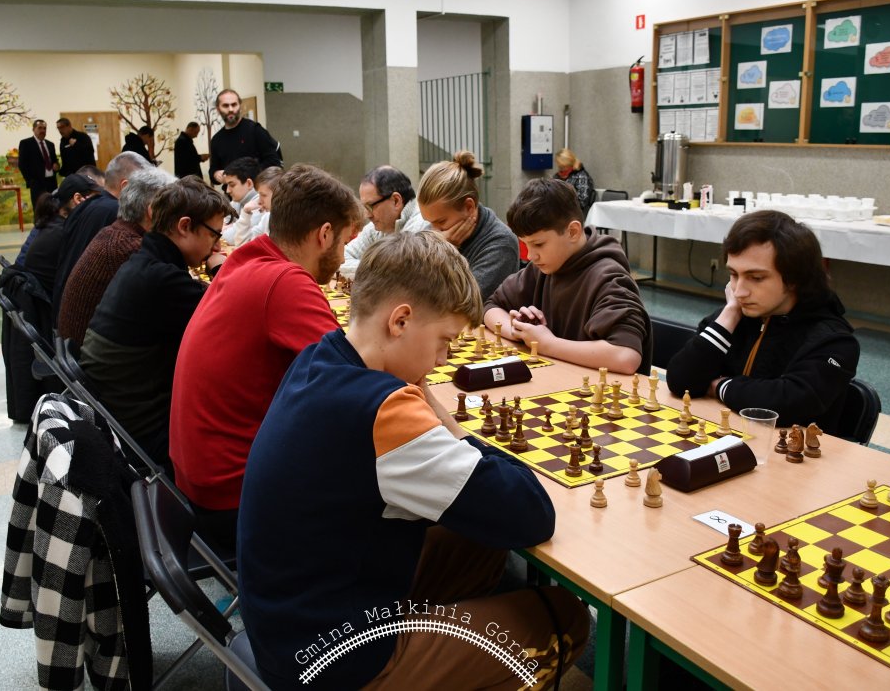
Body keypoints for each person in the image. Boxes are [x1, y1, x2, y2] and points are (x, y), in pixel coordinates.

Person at [238, 230, 590, 690]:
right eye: (444, 340)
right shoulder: (384, 409)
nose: (442, 360)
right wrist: (448, 421)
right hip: (333, 660)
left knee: (479, 541)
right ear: (400, 320)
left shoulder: (318, 357)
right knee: (565, 617)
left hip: (285, 622)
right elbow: (531, 512)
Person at [170, 164, 363, 550]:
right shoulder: (285, 281)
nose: (342, 256)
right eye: (343, 242)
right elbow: (357, 382)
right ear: (324, 234)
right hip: (235, 495)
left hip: (195, 482)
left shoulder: (248, 259)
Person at [80, 177, 232, 467]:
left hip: (119, 413)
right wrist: (220, 269)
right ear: (184, 226)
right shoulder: (161, 278)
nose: (216, 246)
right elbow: (232, 315)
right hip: (145, 433)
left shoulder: (145, 262)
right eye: (214, 235)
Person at [667, 210, 860, 432]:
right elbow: (681, 381)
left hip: (791, 450)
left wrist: (720, 385)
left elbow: (787, 402)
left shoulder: (833, 339)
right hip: (726, 436)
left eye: (756, 278)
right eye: (734, 274)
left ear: (795, 279)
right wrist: (730, 313)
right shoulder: (734, 316)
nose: (739, 291)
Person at [485, 178, 651, 374]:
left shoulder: (609, 278)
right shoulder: (546, 265)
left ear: (573, 231)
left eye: (538, 244)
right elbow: (491, 307)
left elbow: (626, 356)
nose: (530, 256)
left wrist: (548, 344)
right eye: (525, 244)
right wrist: (519, 330)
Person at [57, 167, 177, 345]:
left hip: (74, 346)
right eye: (174, 210)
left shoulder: (115, 232)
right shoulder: (128, 247)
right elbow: (176, 295)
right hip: (87, 353)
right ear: (152, 211)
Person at [50, 152, 151, 318]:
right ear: (126, 187)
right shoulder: (116, 213)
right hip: (83, 322)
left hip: (61, 314)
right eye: (146, 190)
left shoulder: (89, 205)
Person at [417, 150, 519, 300]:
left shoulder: (501, 243)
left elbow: (460, 303)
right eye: (429, 222)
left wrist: (444, 250)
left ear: (469, 207)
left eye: (441, 221)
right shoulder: (436, 230)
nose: (433, 230)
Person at [340, 165, 428, 277]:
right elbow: (342, 259)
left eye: (370, 206)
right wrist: (380, 269)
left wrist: (372, 269)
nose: (367, 215)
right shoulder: (379, 227)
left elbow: (400, 275)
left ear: (396, 201)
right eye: (364, 207)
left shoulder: (422, 226)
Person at [23, 175, 102, 296]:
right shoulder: (64, 233)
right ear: (78, 199)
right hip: (49, 303)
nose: (99, 205)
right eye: (96, 200)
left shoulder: (54, 224)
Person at [208, 89, 283, 185]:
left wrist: (248, 175)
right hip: (231, 192)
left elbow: (273, 162)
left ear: (240, 106)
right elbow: (213, 168)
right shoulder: (216, 140)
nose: (230, 109)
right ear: (218, 109)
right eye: (225, 105)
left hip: (256, 189)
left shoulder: (255, 130)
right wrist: (215, 174)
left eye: (234, 104)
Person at [18, 119, 60, 209]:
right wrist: (30, 182)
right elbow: (22, 164)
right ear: (33, 129)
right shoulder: (26, 143)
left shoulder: (50, 144)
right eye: (40, 128)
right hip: (37, 184)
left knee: (53, 208)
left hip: (52, 183)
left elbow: (54, 161)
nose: (42, 130)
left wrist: (57, 165)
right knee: (39, 210)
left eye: (44, 128)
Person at [219, 156, 261, 246]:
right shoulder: (238, 201)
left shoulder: (260, 203)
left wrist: (229, 228)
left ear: (249, 183)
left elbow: (231, 238)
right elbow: (217, 227)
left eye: (232, 185)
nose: (227, 191)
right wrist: (231, 227)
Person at [554, 148, 595, 217]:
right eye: (559, 166)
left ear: (569, 164)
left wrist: (562, 203)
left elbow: (582, 201)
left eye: (563, 166)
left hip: (573, 213)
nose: (560, 169)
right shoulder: (557, 176)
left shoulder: (581, 176)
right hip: (558, 210)